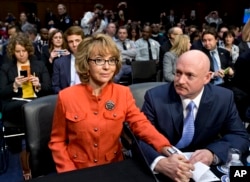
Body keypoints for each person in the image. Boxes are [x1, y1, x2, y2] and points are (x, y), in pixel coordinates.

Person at [48, 33, 193, 181]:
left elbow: (141, 125)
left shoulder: (122, 93)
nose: (107, 66)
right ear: (86, 63)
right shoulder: (66, 96)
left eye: (111, 60)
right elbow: (57, 142)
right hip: (78, 170)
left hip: (114, 168)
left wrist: (168, 149)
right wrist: (70, 174)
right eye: (99, 60)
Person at [139, 50, 250, 180]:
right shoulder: (155, 97)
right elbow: (140, 139)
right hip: (164, 165)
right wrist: (160, 163)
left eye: (190, 75)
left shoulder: (223, 98)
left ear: (207, 78)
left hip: (202, 169)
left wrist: (212, 153)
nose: (180, 81)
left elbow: (239, 135)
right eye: (178, 73)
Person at [0, 32, 51, 180]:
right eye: (17, 51)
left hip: (36, 103)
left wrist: (39, 85)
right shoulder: (5, 67)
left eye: (24, 51)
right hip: (14, 105)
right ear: (12, 52)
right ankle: (29, 157)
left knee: (35, 107)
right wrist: (14, 85)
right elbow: (1, 92)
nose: (21, 54)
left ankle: (29, 158)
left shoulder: (39, 65)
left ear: (28, 50)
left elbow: (49, 88)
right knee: (27, 108)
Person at [52, 26, 84, 94]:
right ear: (67, 44)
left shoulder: (92, 60)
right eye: (71, 42)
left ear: (83, 41)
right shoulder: (59, 63)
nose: (74, 44)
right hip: (67, 98)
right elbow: (55, 86)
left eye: (77, 41)